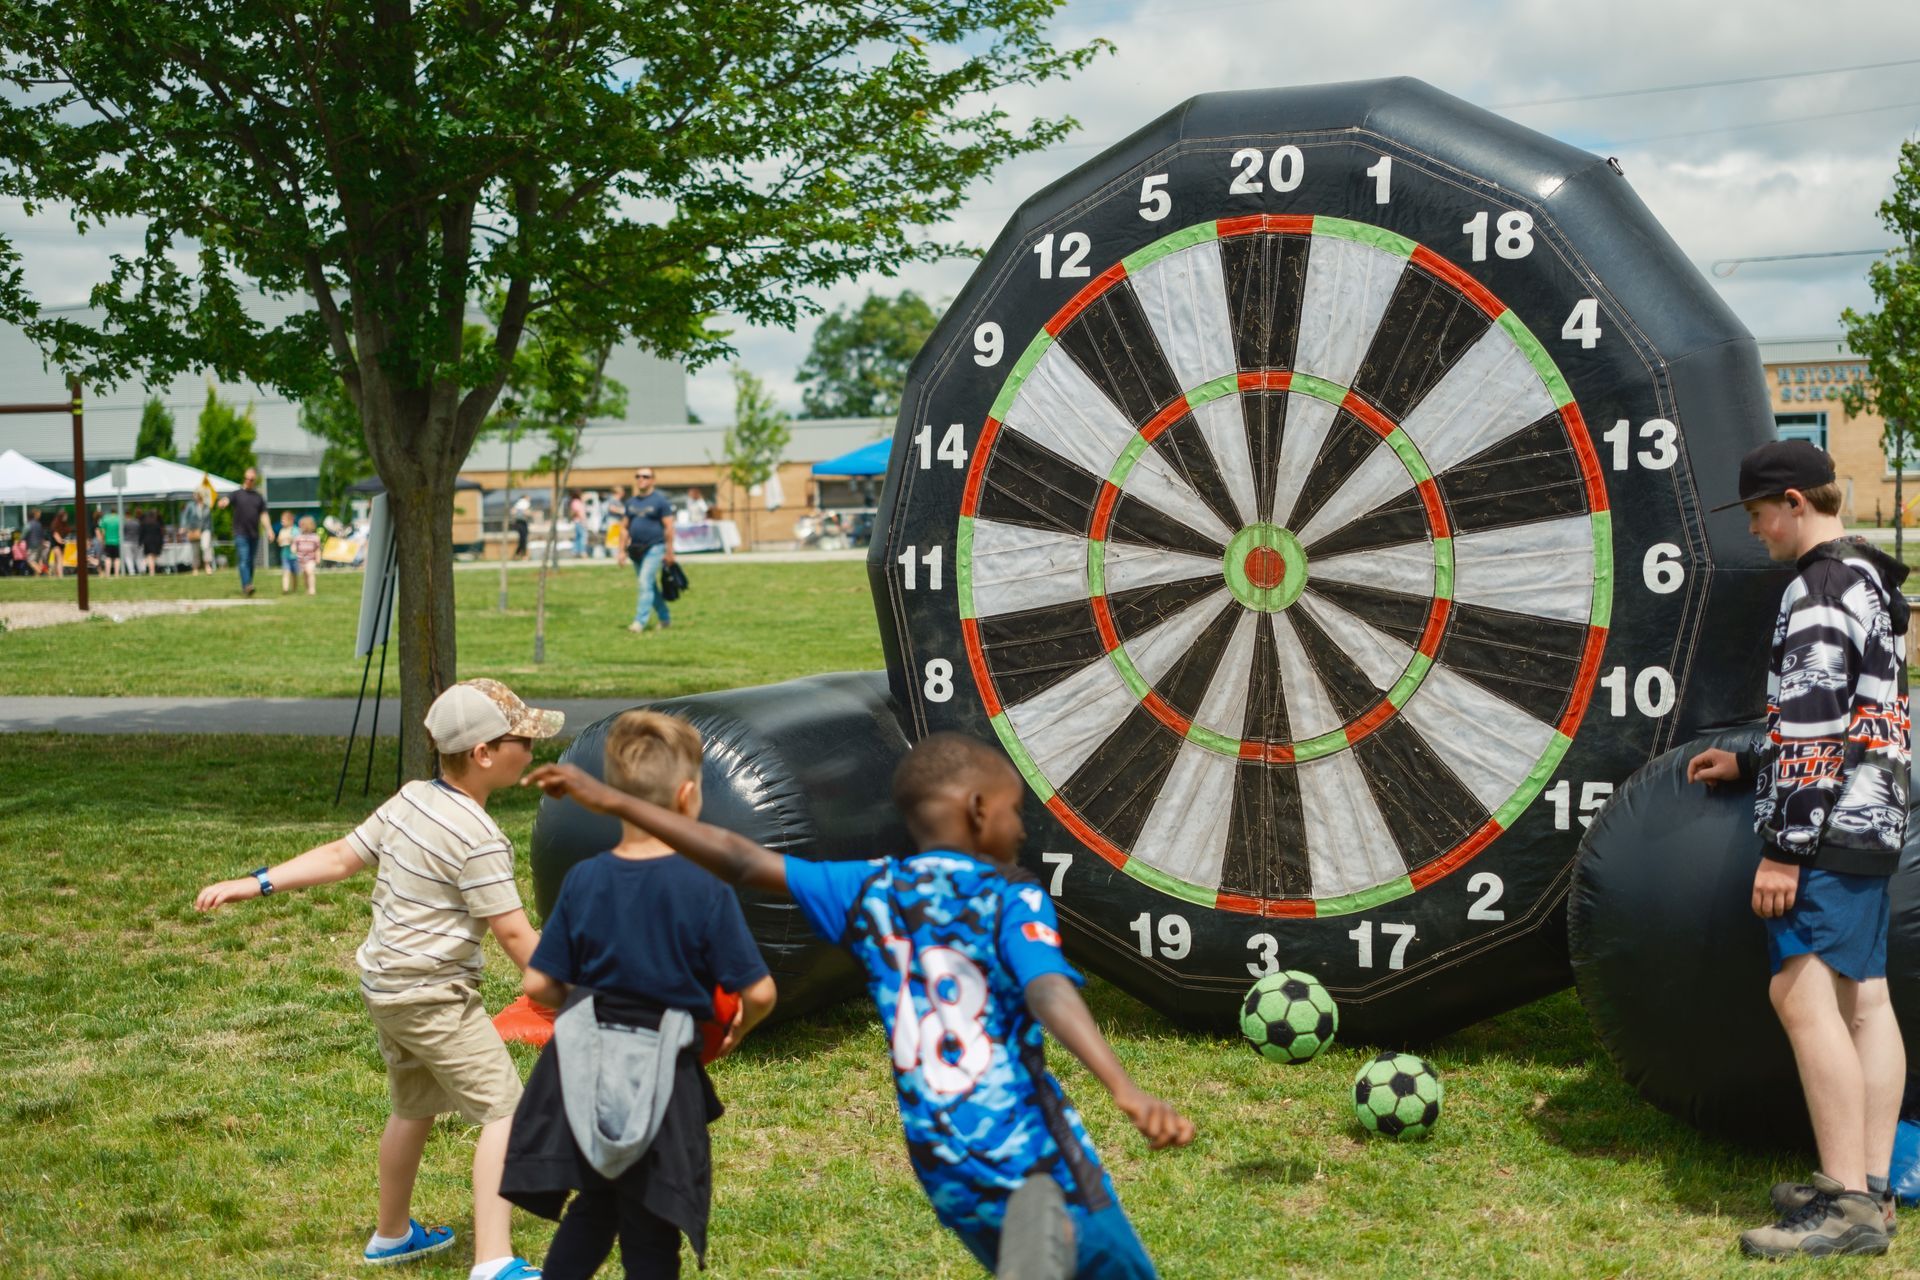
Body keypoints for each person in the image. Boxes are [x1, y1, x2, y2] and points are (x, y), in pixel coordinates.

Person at [526, 732, 1194, 1279]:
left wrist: (610, 798)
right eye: (1017, 809)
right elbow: (1048, 988)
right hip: (1030, 1151)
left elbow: (737, 856)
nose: (1021, 827)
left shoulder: (870, 888)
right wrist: (1125, 1088)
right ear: (980, 808)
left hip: (942, 1163)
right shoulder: (1010, 897)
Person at [193, 678, 562, 1279]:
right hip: (435, 995)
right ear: (484, 754)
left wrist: (255, 881)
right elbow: (518, 940)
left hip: (387, 988)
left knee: (413, 1105)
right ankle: (494, 1263)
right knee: (506, 1115)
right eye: (522, 737)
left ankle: (392, 1236)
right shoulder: (481, 840)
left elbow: (342, 855)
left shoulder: (413, 798)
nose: (533, 747)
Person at [1688, 441, 1909, 1260]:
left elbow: (1815, 721)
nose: (1757, 533)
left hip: (1824, 828)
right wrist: (1751, 761)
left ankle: (1845, 1204)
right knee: (1867, 1003)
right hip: (1876, 817)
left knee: (1801, 997)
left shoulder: (1815, 590)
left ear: (1791, 501)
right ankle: (1873, 1191)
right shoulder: (1870, 582)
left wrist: (1784, 848)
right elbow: (1860, 713)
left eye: (1756, 515)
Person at [503, 711, 777, 1279]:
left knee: (597, 1205)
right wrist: (738, 1028)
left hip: (581, 1071)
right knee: (651, 1230)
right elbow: (760, 991)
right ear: (686, 797)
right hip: (659, 1074)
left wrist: (573, 991)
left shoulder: (583, 879)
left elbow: (538, 984)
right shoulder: (703, 886)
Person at [620, 469, 676, 635]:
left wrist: (670, 551)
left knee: (644, 583)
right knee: (650, 585)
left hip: (655, 547)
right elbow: (624, 528)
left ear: (653, 480)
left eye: (645, 476)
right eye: (638, 476)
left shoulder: (660, 502)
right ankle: (665, 618)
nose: (641, 479)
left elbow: (669, 527)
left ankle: (639, 622)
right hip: (636, 549)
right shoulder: (631, 502)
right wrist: (621, 551)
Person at [220, 469, 270, 596]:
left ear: (255, 480)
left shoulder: (258, 497)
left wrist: (269, 529)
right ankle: (247, 585)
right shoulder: (237, 494)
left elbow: (264, 515)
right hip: (240, 533)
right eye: (246, 478)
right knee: (243, 559)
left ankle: (247, 585)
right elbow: (228, 499)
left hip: (254, 534)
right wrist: (223, 502)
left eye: (251, 479)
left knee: (250, 561)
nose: (248, 481)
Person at [183, 489, 214, 574]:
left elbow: (210, 520)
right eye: (194, 494)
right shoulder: (190, 505)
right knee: (195, 549)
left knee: (206, 546)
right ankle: (195, 567)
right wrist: (183, 527)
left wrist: (212, 531)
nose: (195, 496)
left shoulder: (206, 506)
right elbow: (185, 516)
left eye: (196, 494)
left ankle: (207, 565)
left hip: (205, 529)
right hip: (194, 530)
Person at [293, 516, 323, 596]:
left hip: (311, 559)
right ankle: (307, 589)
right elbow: (295, 545)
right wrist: (293, 549)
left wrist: (318, 558)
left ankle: (312, 589)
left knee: (310, 572)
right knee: (305, 575)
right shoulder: (298, 537)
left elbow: (317, 549)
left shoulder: (315, 537)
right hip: (301, 560)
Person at [138, 505, 164, 575]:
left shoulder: (144, 523)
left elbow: (141, 533)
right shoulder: (157, 523)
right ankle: (152, 570)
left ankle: (151, 571)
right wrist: (161, 543)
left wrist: (140, 542)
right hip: (156, 541)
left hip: (147, 541)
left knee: (149, 556)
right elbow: (161, 534)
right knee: (153, 556)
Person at [276, 510, 298, 594]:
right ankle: (285, 589)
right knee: (286, 571)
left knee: (294, 574)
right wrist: (280, 540)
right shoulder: (282, 530)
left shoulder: (295, 530)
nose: (282, 522)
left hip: (294, 556)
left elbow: (298, 539)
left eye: (284, 520)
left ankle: (294, 589)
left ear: (291, 520)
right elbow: (279, 540)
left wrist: (291, 539)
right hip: (285, 555)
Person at [99, 504, 121, 577]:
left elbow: (102, 530)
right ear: (116, 511)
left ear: (110, 511)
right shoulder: (119, 518)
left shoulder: (105, 518)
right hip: (117, 541)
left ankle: (108, 574)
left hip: (108, 541)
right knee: (117, 558)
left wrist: (103, 540)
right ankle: (116, 574)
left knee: (108, 558)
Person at [24, 508, 45, 575]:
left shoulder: (29, 524)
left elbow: (24, 534)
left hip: (32, 544)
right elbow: (42, 535)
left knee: (30, 560)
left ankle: (40, 570)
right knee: (38, 560)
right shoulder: (39, 524)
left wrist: (20, 540)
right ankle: (38, 576)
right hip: (40, 544)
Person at [568, 490, 588, 560]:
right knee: (582, 537)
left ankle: (576, 552)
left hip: (579, 521)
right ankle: (582, 552)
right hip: (579, 521)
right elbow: (577, 512)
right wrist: (583, 521)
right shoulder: (576, 502)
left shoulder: (578, 502)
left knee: (578, 537)